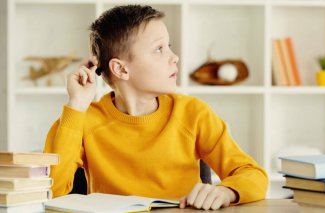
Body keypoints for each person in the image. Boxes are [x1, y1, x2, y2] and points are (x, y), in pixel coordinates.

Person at [44, 5, 268, 210]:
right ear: (121, 70)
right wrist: (76, 105)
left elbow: (253, 174)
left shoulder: (192, 113)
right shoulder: (81, 120)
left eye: (168, 46)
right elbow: (50, 193)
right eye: (159, 49)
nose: (175, 58)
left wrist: (226, 191)